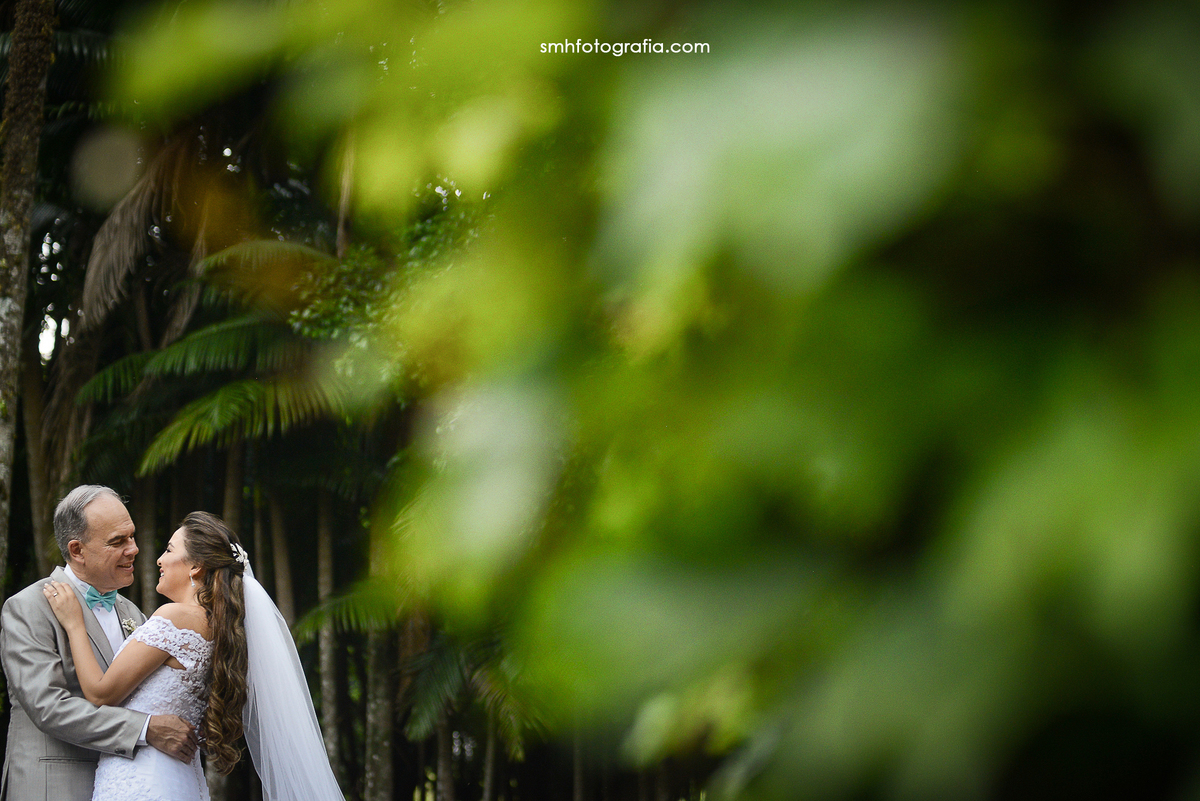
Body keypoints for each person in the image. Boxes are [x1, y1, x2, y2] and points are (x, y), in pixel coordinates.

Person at [42, 511, 343, 801]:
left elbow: (99, 693)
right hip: (182, 779)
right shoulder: (221, 631)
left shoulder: (175, 617)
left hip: (141, 781)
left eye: (170, 549)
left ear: (196, 566)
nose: (159, 559)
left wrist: (74, 624)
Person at [0, 486, 196, 801]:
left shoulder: (132, 613)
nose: (133, 549)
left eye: (131, 536)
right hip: (57, 787)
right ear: (77, 550)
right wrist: (145, 729)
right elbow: (50, 708)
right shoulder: (28, 607)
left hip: (125, 784)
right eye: (117, 541)